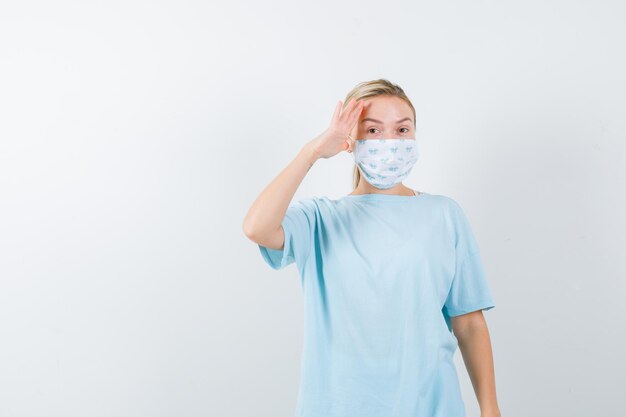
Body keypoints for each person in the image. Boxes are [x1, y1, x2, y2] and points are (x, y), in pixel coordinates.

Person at [242, 79, 501, 417]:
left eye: (402, 130)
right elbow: (257, 227)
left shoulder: (444, 214)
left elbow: (468, 322)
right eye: (374, 130)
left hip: (430, 406)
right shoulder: (320, 219)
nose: (390, 142)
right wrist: (314, 151)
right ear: (351, 139)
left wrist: (490, 408)